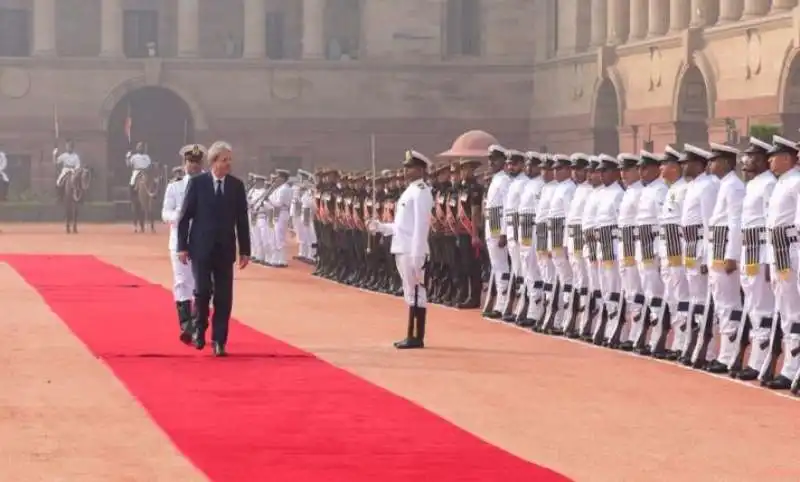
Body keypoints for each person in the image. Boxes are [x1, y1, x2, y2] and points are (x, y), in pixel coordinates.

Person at [177, 140, 250, 357]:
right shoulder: (198, 183)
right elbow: (184, 217)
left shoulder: (236, 186)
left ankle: (220, 340)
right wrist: (182, 246)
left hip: (225, 249)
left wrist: (245, 250)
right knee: (201, 292)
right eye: (225, 160)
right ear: (214, 162)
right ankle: (199, 329)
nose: (229, 164)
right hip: (200, 248)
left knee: (224, 297)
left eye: (230, 160)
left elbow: (242, 220)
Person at [368, 150, 434, 349]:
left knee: (416, 293)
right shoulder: (409, 191)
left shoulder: (422, 191)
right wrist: (380, 227)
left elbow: (421, 226)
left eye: (410, 167)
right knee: (409, 291)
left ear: (421, 170)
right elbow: (401, 226)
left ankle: (416, 336)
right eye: (406, 167)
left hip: (412, 250)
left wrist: (418, 254)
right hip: (401, 247)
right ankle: (411, 334)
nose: (406, 171)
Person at [736, 137, 776, 382]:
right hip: (749, 249)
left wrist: (770, 259)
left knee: (763, 307)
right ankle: (756, 360)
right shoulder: (752, 185)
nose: (745, 161)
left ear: (760, 160)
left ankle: (762, 360)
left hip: (761, 250)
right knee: (752, 306)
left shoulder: (768, 184)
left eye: (750, 157)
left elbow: (770, 223)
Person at [161, 144, 205, 343]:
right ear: (184, 163)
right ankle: (186, 324)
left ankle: (199, 323)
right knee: (181, 281)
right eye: (190, 162)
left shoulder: (208, 184)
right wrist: (178, 216)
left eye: (196, 162)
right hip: (178, 240)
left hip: (202, 240)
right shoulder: (175, 186)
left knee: (200, 283)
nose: (193, 166)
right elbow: (165, 213)